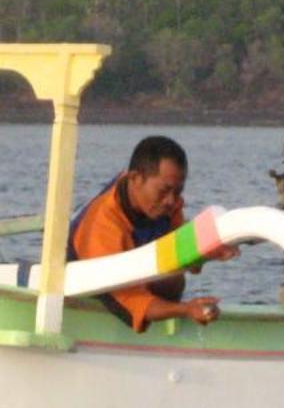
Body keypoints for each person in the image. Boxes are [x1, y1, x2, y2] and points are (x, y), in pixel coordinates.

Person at [68, 135, 235, 330]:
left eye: (178, 192)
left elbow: (185, 256)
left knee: (174, 280)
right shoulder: (103, 227)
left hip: (137, 274)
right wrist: (185, 310)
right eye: (163, 191)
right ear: (135, 179)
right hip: (90, 286)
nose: (171, 201)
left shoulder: (160, 198)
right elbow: (133, 301)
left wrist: (210, 252)